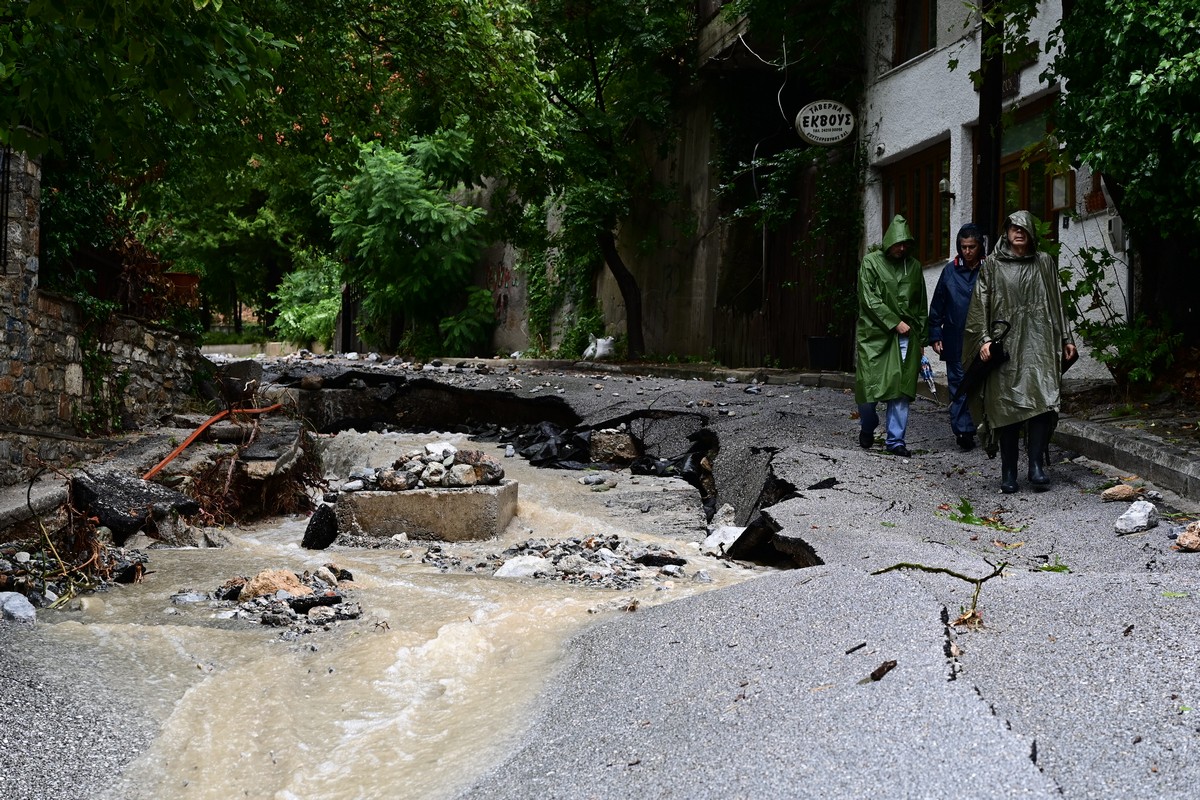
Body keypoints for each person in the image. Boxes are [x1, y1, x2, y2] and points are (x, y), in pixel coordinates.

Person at [963, 210, 1077, 494]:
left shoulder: (1044, 263)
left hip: (1039, 344)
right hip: (1007, 347)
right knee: (1006, 408)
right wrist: (984, 340)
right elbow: (980, 304)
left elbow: (1056, 302)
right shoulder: (991, 265)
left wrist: (1066, 337)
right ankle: (1009, 471)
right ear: (1006, 231)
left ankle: (1036, 466)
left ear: (1031, 234)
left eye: (1024, 229)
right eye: (1014, 228)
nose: (1019, 233)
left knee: (1041, 402)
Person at [854, 215, 928, 457]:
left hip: (907, 335)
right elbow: (869, 299)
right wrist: (894, 322)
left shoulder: (914, 266)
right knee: (868, 388)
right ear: (888, 242)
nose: (902, 248)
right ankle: (868, 424)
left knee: (901, 388)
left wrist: (922, 340)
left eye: (906, 243)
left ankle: (896, 441)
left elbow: (920, 304)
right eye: (898, 243)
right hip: (874, 336)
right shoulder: (870, 262)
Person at [928, 223, 986, 451]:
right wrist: (935, 333)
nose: (968, 251)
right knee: (958, 384)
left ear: (979, 246)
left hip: (983, 338)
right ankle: (963, 431)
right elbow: (937, 304)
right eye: (964, 247)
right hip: (954, 336)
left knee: (982, 385)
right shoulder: (949, 271)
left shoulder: (990, 268)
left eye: (972, 247)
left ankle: (986, 428)